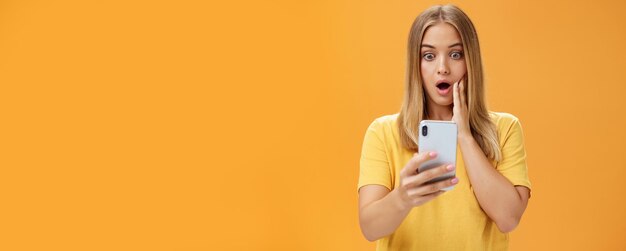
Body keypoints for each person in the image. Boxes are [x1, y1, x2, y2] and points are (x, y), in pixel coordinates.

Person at [357, 4, 532, 250]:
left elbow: (508, 218)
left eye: (455, 54)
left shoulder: (505, 128)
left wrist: (465, 135)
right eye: (429, 56)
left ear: (471, 61)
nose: (443, 68)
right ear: (416, 65)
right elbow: (370, 228)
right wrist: (402, 197)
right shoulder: (383, 133)